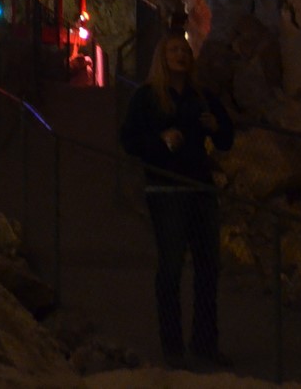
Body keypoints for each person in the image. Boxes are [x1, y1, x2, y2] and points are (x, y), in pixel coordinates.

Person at [119, 34, 235, 369]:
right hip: (166, 190)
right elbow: (129, 140)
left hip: (200, 189)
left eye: (185, 50)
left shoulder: (202, 97)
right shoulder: (147, 98)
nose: (181, 55)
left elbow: (226, 139)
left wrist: (217, 127)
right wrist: (160, 140)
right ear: (162, 57)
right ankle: (172, 347)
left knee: (207, 268)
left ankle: (205, 343)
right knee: (170, 268)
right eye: (174, 50)